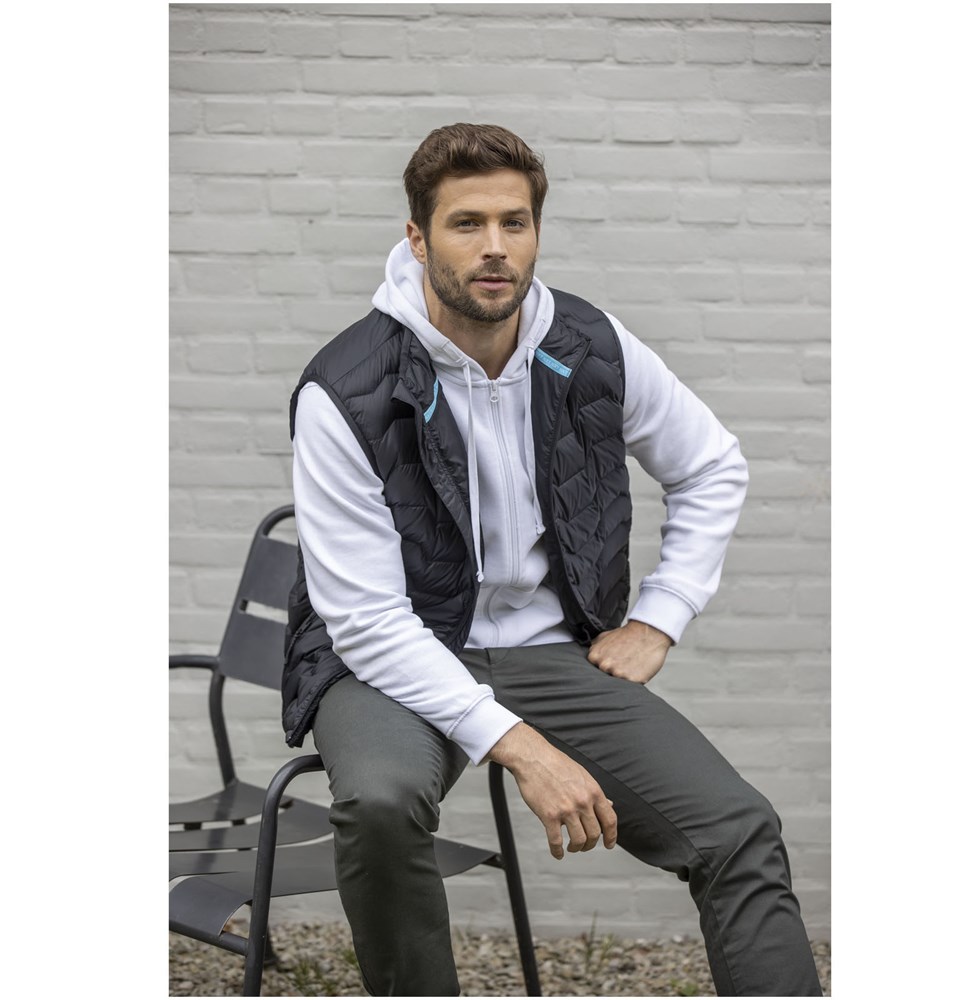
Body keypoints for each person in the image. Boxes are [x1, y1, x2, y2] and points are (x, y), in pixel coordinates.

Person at [282, 123, 822, 997]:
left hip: (546, 649)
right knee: (380, 805)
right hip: (390, 659)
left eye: (515, 222)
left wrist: (661, 615)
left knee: (738, 828)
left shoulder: (589, 344)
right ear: (417, 237)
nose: (495, 247)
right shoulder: (345, 389)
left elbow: (711, 464)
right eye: (466, 224)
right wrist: (525, 750)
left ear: (536, 230)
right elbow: (367, 620)